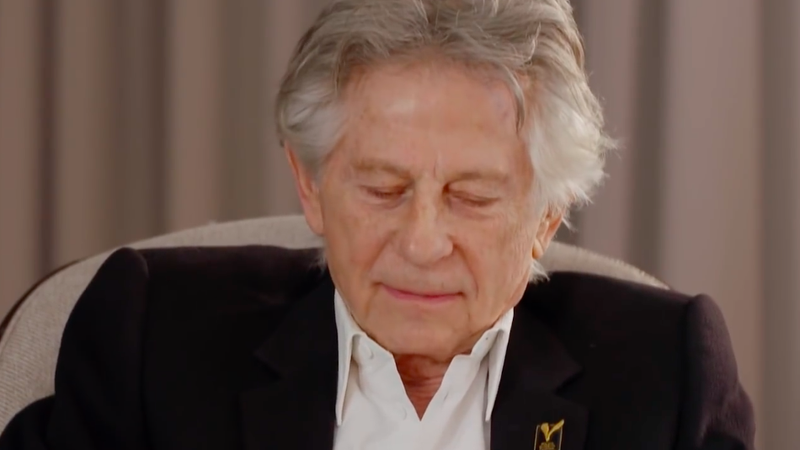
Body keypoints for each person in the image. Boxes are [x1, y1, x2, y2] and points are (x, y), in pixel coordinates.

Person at [0, 0, 754, 449]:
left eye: (472, 196)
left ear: (546, 215)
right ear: (311, 184)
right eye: (384, 189)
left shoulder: (665, 376)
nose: (422, 242)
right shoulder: (154, 336)